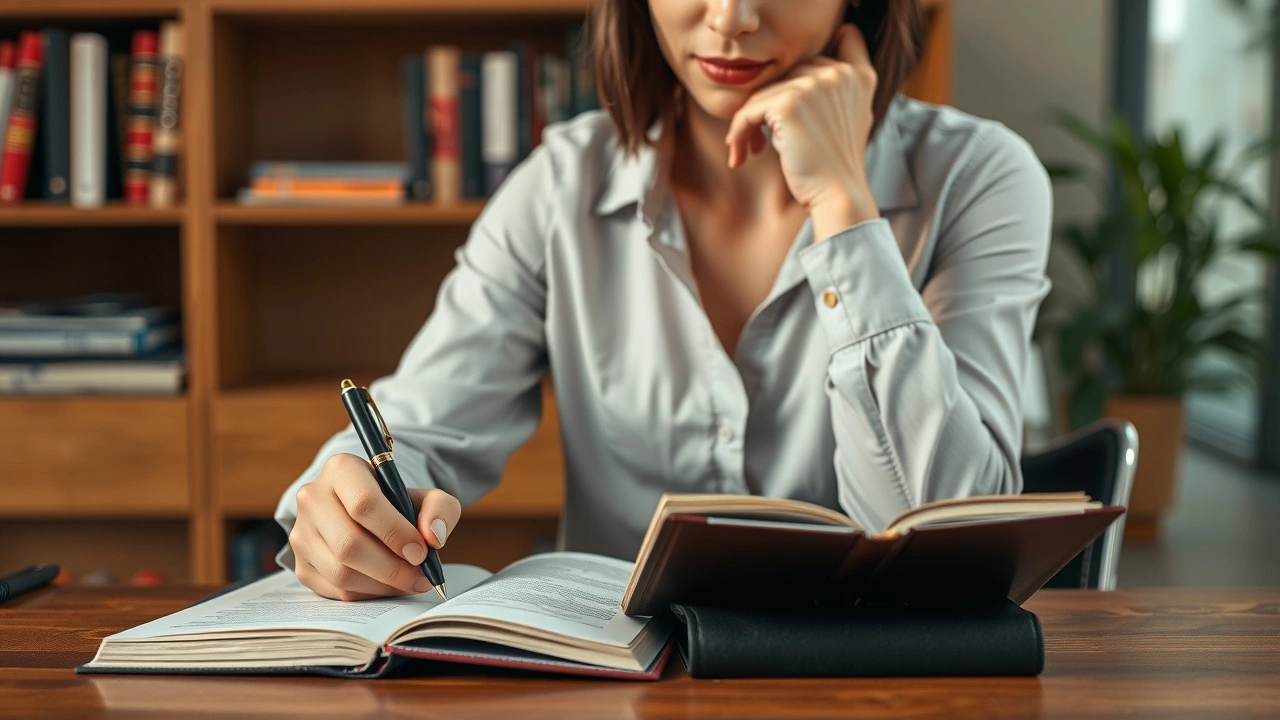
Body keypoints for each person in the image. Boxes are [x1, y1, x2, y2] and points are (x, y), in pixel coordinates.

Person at [275, 0, 1052, 601]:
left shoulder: (977, 177)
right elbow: (417, 426)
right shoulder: (559, 187)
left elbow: (959, 541)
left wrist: (844, 204)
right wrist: (345, 502)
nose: (731, 19)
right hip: (621, 686)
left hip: (872, 685)